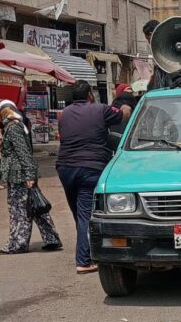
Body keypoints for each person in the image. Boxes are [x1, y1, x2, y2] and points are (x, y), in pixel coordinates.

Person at [56, 81, 131, 274]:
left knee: (78, 214)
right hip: (90, 167)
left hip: (65, 168)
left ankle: (85, 246)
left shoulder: (64, 115)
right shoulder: (100, 109)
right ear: (90, 94)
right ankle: (84, 260)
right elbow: (124, 115)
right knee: (84, 216)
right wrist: (125, 104)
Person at [0, 100, 62, 255]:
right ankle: (51, 239)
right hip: (24, 174)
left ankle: (17, 244)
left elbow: (23, 152)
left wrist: (29, 175)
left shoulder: (12, 128)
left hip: (19, 175)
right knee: (36, 207)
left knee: (19, 210)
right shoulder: (19, 125)